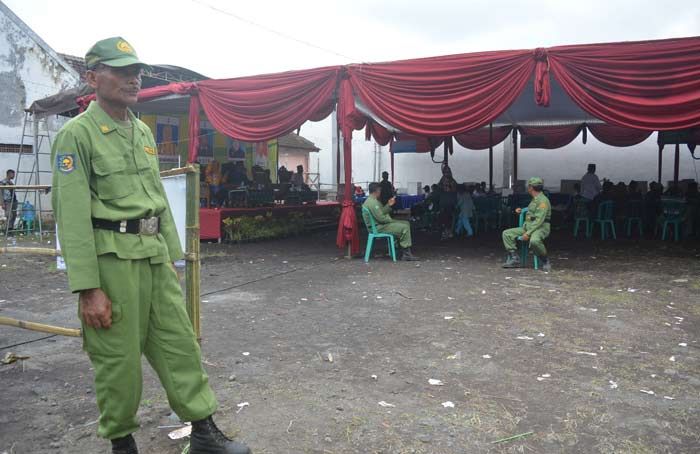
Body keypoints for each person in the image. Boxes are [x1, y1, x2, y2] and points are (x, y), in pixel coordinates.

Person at [50, 37, 250, 454]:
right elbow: (71, 216)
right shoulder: (77, 135)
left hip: (153, 255)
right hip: (111, 262)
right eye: (121, 70)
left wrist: (172, 258)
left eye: (135, 70)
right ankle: (122, 444)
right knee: (118, 361)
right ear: (92, 77)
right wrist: (88, 288)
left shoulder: (140, 130)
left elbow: (156, 199)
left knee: (179, 343)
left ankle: (204, 433)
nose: (133, 77)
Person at [502, 177, 552, 271]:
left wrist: (528, 233)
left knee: (534, 241)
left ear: (531, 188)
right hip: (528, 227)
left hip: (540, 228)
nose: (528, 188)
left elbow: (539, 220)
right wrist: (522, 210)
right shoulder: (535, 199)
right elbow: (532, 210)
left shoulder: (543, 201)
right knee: (506, 233)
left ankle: (545, 260)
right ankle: (514, 258)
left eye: (528, 186)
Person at [362, 182, 418, 261]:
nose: (380, 192)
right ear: (377, 191)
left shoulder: (372, 201)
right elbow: (381, 218)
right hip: (378, 227)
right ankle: (406, 253)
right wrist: (391, 221)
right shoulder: (373, 203)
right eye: (380, 190)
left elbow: (381, 212)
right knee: (404, 227)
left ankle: (398, 249)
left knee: (406, 223)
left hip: (379, 225)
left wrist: (389, 205)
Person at [438, 164, 458, 239]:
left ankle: (446, 232)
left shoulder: (444, 180)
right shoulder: (452, 180)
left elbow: (440, 188)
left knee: (445, 218)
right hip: (450, 202)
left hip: (446, 202)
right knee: (449, 218)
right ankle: (449, 232)